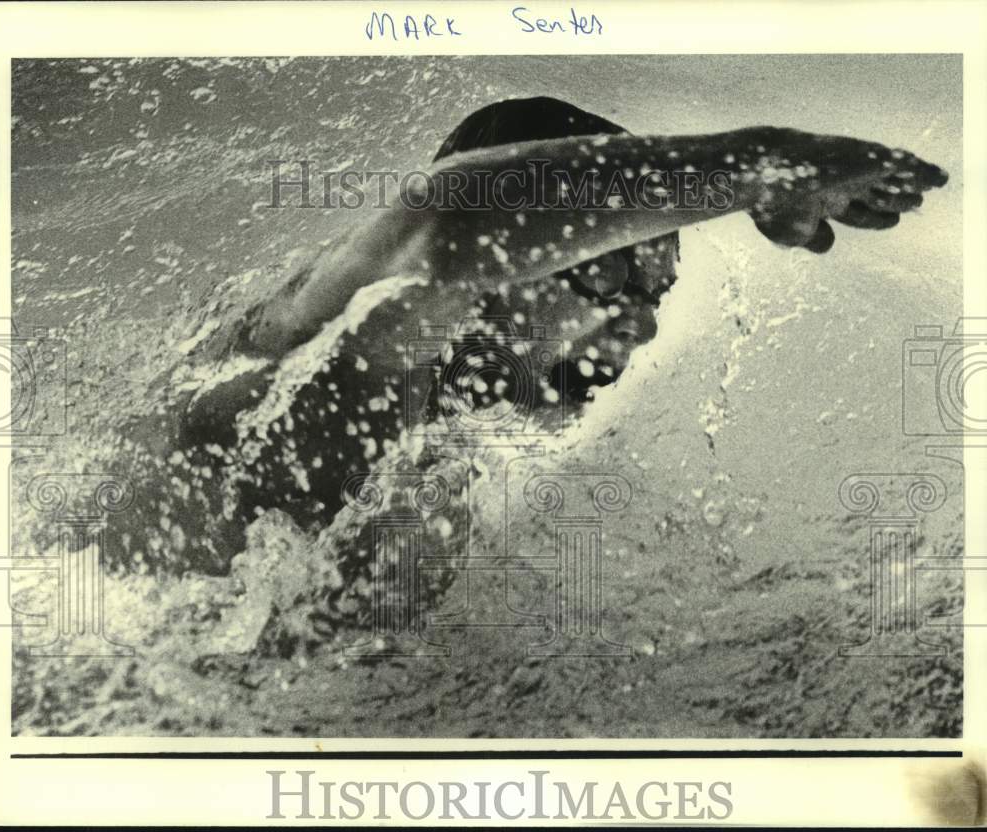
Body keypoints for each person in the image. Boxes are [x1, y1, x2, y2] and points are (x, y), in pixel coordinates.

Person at [107, 97, 949, 574]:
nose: (643, 320)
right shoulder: (299, 362)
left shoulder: (444, 466)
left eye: (657, 289)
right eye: (605, 277)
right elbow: (448, 219)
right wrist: (760, 159)